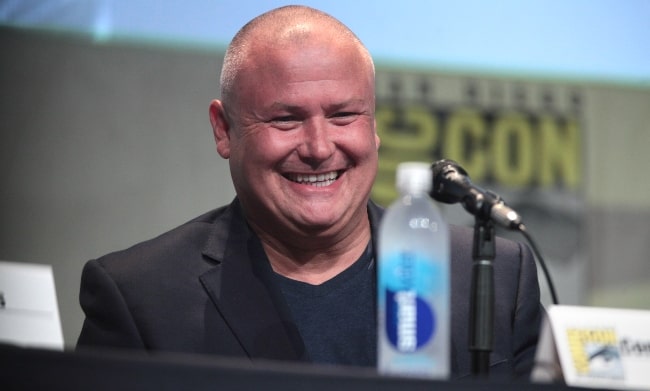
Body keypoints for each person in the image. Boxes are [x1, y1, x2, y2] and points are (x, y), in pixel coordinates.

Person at [76, 5, 542, 379]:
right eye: (285, 119)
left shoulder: (492, 276)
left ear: (374, 126)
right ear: (224, 129)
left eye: (344, 116)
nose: (320, 148)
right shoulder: (139, 297)